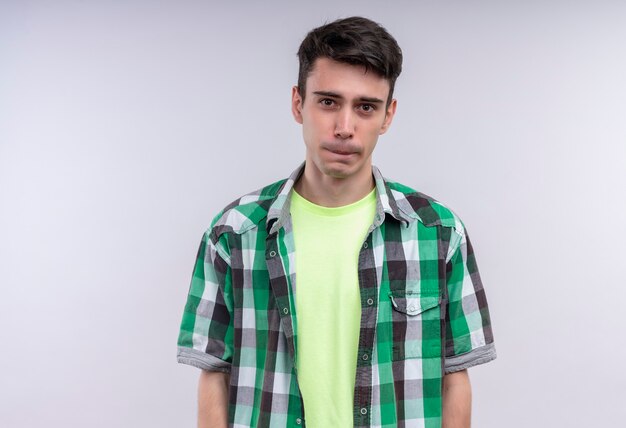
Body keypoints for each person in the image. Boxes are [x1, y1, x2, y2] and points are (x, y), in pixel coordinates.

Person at [177, 16, 496, 428]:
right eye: (328, 102)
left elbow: (455, 377)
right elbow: (213, 374)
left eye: (366, 107)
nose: (345, 128)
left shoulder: (438, 232)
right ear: (298, 104)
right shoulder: (234, 233)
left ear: (388, 115)